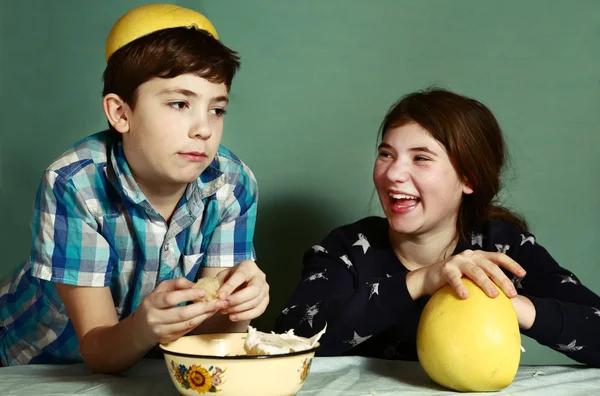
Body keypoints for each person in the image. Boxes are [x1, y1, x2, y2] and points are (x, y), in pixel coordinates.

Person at [0, 4, 269, 372]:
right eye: (179, 103)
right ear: (121, 113)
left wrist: (240, 310)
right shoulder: (75, 183)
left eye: (216, 110)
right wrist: (144, 326)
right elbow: (98, 349)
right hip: (36, 362)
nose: (203, 128)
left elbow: (210, 339)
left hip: (145, 366)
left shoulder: (232, 183)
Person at [274, 87, 600, 367]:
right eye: (386, 154)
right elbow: (287, 339)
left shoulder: (504, 249)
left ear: (468, 179)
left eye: (421, 158)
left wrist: (512, 306)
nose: (392, 174)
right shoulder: (345, 248)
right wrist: (422, 280)